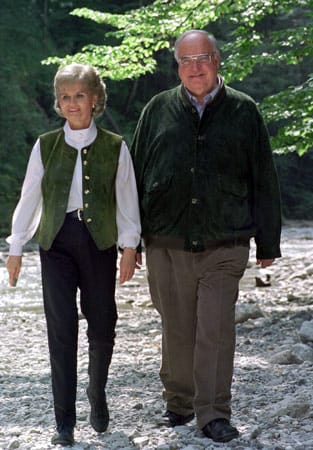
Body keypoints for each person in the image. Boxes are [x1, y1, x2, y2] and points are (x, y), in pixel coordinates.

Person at [130, 30, 281, 443]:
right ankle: (179, 404)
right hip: (166, 240)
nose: (195, 68)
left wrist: (269, 242)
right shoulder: (156, 110)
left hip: (225, 241)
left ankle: (213, 412)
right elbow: (135, 177)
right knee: (176, 328)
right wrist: (130, 239)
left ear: (217, 61)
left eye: (203, 58)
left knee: (214, 328)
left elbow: (263, 178)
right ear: (177, 66)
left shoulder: (244, 111)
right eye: (186, 60)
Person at [6, 63, 141, 446]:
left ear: (95, 99)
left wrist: (130, 245)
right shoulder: (45, 145)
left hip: (99, 243)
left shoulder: (115, 145)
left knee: (102, 325)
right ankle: (64, 421)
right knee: (61, 330)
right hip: (56, 244)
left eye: (79, 95)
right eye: (65, 97)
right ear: (58, 102)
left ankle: (97, 394)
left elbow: (127, 200)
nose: (72, 103)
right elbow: (30, 196)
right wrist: (16, 245)